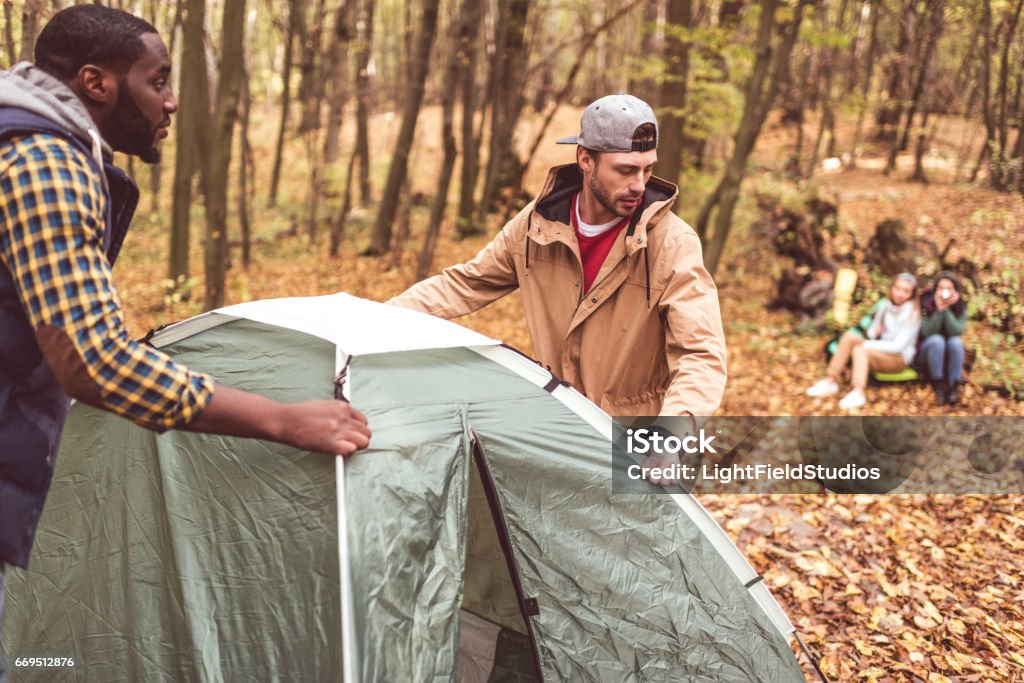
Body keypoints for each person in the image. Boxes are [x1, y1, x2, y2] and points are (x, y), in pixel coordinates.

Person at [0, 6, 371, 663]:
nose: (172, 102)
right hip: (613, 434)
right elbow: (93, 360)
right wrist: (282, 419)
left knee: (622, 475)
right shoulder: (45, 162)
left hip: (616, 418)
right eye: (159, 81)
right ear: (96, 82)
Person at [389, 94, 727, 427]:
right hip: (559, 429)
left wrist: (673, 431)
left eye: (647, 169)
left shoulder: (672, 243)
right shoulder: (536, 226)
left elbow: (700, 353)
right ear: (585, 160)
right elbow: (463, 284)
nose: (639, 185)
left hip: (636, 440)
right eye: (625, 170)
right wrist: (378, 319)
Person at [806, 273, 921, 410]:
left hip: (899, 359)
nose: (900, 293)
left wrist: (867, 344)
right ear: (892, 288)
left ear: (912, 294)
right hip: (880, 350)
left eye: (906, 291)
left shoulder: (913, 314)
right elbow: (871, 333)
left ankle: (858, 391)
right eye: (898, 288)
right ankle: (831, 380)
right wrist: (876, 331)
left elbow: (898, 346)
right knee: (850, 336)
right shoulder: (885, 305)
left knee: (861, 349)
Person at [916, 271, 968, 405]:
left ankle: (954, 387)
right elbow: (926, 332)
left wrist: (947, 310)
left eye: (949, 288)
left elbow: (956, 331)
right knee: (936, 340)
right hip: (926, 351)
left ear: (955, 291)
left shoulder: (961, 306)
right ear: (935, 289)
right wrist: (938, 310)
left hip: (949, 352)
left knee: (956, 342)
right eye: (941, 288)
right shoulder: (925, 302)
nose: (944, 292)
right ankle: (938, 386)